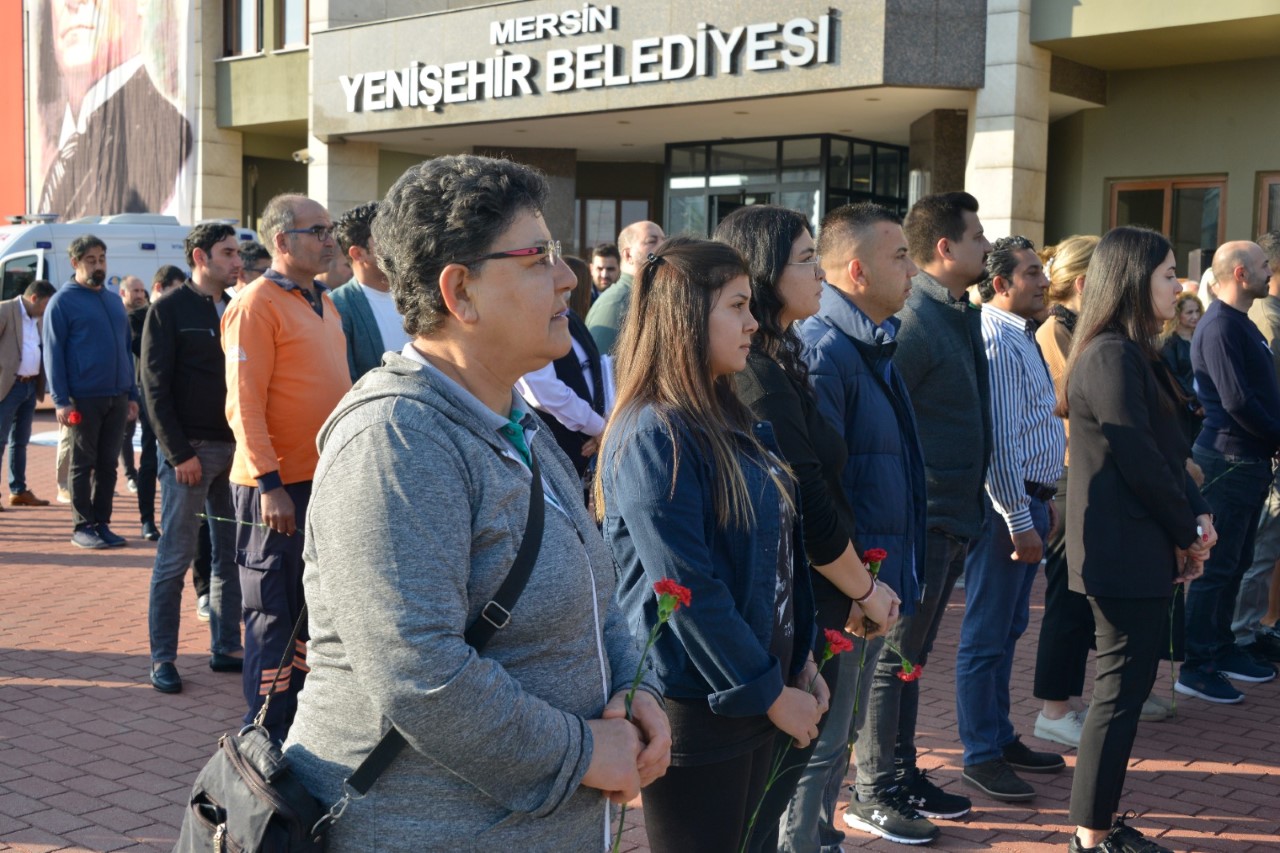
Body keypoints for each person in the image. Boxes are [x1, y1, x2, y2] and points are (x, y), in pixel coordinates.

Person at [283, 154, 668, 850]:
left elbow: (598, 592)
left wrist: (634, 691)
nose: (568, 276)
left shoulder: (515, 423)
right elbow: (418, 669)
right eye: (538, 257)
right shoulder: (394, 438)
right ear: (460, 290)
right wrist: (583, 751)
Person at [599, 237, 823, 853]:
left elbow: (774, 559)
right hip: (703, 703)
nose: (754, 323)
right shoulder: (655, 433)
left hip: (757, 689)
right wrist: (772, 692)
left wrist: (799, 660)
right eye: (737, 305)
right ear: (687, 316)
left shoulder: (729, 415)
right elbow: (687, 587)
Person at [715, 204, 902, 851]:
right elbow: (807, 502)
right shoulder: (758, 377)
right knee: (780, 781)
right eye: (803, 260)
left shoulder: (779, 357)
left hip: (813, 592)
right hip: (789, 603)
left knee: (804, 761)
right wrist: (864, 590)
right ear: (763, 274)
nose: (820, 273)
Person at [1061, 226, 1216, 853]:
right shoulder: (1109, 355)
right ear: (1131, 279)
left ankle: (1095, 829)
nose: (1178, 286)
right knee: (1117, 699)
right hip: (1121, 552)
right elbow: (1140, 460)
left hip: (1141, 547)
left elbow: (1169, 455)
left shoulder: (1133, 352)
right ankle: (1090, 837)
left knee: (1123, 694)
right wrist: (1188, 531)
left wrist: (1197, 518)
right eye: (1167, 274)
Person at [856, 190, 992, 841]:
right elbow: (879, 418)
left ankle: (902, 770)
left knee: (912, 656)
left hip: (952, 517)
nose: (987, 246)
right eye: (978, 236)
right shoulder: (918, 319)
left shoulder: (955, 313)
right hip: (922, 518)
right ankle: (874, 785)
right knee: (893, 658)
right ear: (946, 246)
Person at [222, 194, 351, 740]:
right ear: (282, 241)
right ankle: (262, 734)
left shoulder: (325, 302)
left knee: (310, 612)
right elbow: (243, 403)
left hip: (322, 483)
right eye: (318, 230)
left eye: (330, 229)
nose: (330, 239)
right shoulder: (256, 305)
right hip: (275, 489)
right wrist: (270, 484)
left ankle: (299, 728)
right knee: (272, 613)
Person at [957, 236, 1067, 803]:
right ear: (1000, 284)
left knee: (1007, 630)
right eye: (1032, 273)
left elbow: (1030, 427)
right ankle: (981, 754)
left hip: (1030, 501)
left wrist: (1041, 504)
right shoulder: (997, 340)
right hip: (1009, 507)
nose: (1044, 282)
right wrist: (1020, 517)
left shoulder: (1021, 334)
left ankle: (999, 738)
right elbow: (1000, 443)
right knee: (986, 633)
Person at [141, 223, 244, 694]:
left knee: (231, 555)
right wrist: (179, 452)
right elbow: (154, 390)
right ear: (201, 257)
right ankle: (162, 658)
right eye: (228, 253)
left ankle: (226, 646)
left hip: (236, 452)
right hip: (191, 455)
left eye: (238, 253)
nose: (237, 261)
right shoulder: (167, 310)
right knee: (175, 559)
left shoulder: (237, 307)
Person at [1179, 240, 1280, 703]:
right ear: (1240, 273)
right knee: (1216, 568)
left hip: (1249, 461)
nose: (1269, 271)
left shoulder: (1240, 322)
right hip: (1228, 460)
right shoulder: (1220, 324)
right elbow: (1237, 401)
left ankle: (1221, 649)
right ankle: (1196, 667)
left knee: (1236, 562)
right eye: (1263, 265)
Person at [1031, 235, 1100, 749]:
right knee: (1067, 597)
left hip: (1081, 472)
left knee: (1079, 594)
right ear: (1083, 280)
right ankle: (1053, 709)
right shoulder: (1056, 329)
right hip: (1068, 474)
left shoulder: (1076, 326)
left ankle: (1064, 705)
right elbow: (1071, 401)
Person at [43, 235, 140, 550]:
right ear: (75, 263)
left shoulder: (113, 301)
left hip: (117, 395)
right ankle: (82, 526)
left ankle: (102, 523)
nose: (98, 266)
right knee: (83, 463)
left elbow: (125, 350)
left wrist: (132, 394)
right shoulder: (62, 302)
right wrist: (60, 400)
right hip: (83, 397)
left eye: (101, 259)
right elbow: (53, 354)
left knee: (109, 464)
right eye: (91, 260)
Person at [516, 255, 609, 483]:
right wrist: (598, 427)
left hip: (583, 453)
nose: (570, 278)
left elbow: (599, 368)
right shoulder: (531, 324)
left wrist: (605, 423)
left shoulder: (570, 318)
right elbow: (545, 390)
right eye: (542, 260)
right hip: (556, 456)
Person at [1235, 230, 1280, 664]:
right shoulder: (1266, 317)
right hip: (1265, 449)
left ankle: (1251, 630)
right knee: (1260, 548)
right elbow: (1252, 395)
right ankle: (1242, 635)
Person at [329, 201, 412, 381]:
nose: (396, 244)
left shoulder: (414, 293)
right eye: (384, 237)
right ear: (358, 254)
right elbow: (347, 382)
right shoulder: (337, 307)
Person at [1, 280, 57, 510]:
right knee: (0, 440)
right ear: (34, 298)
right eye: (45, 304)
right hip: (8, 386)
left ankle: (19, 490)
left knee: (20, 441)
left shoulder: (39, 317)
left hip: (30, 386)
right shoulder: (5, 310)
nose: (47, 310)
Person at [586, 220, 664, 354]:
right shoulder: (617, 304)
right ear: (628, 255)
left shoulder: (644, 295)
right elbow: (603, 361)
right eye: (652, 241)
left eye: (664, 240)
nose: (663, 247)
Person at [1159, 291, 1205, 447]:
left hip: (1205, 403)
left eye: (1197, 311)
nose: (1195, 316)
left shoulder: (1201, 338)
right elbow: (1173, 376)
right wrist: (1194, 402)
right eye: (1189, 312)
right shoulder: (1170, 343)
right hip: (1183, 407)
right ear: (1178, 315)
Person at [116, 275, 149, 497]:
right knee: (125, 434)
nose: (140, 295)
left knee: (145, 433)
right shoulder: (118, 317)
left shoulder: (148, 315)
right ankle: (130, 475)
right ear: (123, 293)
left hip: (144, 382)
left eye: (141, 290)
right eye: (135, 291)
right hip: (126, 383)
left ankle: (145, 475)